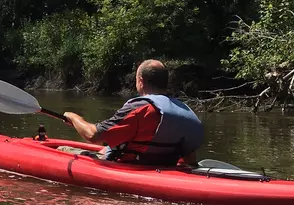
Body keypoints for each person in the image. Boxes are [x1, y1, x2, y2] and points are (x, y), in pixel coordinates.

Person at [63, 59, 204, 166]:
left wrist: (73, 117)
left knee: (63, 150)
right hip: (164, 168)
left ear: (141, 81)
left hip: (130, 167)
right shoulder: (186, 112)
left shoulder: (140, 108)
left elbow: (93, 135)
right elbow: (189, 160)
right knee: (104, 149)